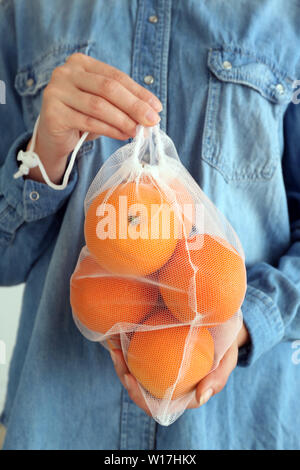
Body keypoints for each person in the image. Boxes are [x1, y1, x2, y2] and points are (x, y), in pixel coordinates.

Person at [0, 0, 299, 450]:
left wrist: (244, 319)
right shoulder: (25, 10)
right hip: (58, 421)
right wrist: (42, 157)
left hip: (237, 425)